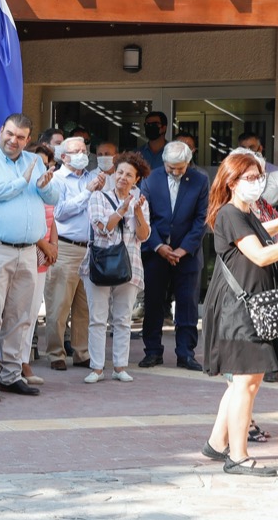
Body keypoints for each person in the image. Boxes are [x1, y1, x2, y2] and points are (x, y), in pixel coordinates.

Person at [201, 151, 278, 476]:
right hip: (238, 308)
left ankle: (217, 443)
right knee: (244, 381)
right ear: (232, 182)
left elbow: (264, 230)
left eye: (259, 176)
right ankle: (238, 457)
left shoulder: (246, 211)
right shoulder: (230, 213)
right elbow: (259, 255)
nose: (257, 183)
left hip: (250, 304)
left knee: (248, 381)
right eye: (250, 178)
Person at [0, 113, 59, 402]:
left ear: (28, 139)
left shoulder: (34, 161)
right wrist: (20, 183)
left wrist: (44, 185)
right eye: (9, 133)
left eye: (20, 136)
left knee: (21, 318)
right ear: (0, 131)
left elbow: (53, 199)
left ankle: (10, 374)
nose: (13, 140)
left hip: (28, 251)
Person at [138, 140, 210, 371]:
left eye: (180, 167)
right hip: (156, 252)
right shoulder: (151, 178)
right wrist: (158, 245)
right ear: (164, 163)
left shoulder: (200, 180)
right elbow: (143, 216)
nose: (176, 172)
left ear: (188, 162)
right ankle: (152, 351)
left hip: (186, 254)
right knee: (154, 303)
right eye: (171, 167)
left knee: (187, 305)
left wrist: (183, 249)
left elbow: (202, 219)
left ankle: (186, 353)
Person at [80, 153, 151, 384]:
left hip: (129, 265)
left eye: (129, 174)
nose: (123, 177)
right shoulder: (98, 197)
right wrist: (122, 209)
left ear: (136, 179)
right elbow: (102, 227)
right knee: (98, 319)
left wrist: (137, 211)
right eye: (119, 172)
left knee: (122, 319)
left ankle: (120, 366)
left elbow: (144, 235)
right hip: (100, 262)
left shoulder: (141, 202)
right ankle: (97, 368)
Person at [42, 135, 95, 373]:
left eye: (84, 149)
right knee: (59, 304)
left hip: (90, 248)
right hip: (65, 247)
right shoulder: (57, 180)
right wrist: (87, 193)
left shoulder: (92, 178)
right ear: (63, 156)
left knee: (84, 306)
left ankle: (82, 352)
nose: (82, 154)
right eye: (76, 150)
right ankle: (56, 353)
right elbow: (60, 212)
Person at [23, 142, 60, 386]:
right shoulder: (23, 187)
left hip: (44, 258)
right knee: (20, 314)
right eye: (34, 162)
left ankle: (22, 362)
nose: (39, 167)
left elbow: (52, 219)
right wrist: (44, 245)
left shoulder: (48, 188)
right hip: (27, 253)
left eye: (44, 163)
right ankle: (16, 364)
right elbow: (26, 221)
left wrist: (53, 246)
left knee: (32, 313)